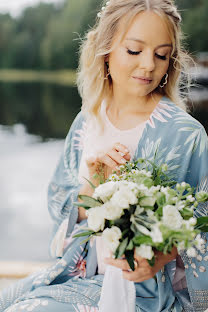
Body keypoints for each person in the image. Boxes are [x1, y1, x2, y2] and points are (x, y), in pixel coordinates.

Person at [1, 0, 208, 311]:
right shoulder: (88, 121)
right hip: (78, 274)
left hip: (145, 292)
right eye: (135, 51)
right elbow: (60, 205)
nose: (149, 65)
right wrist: (90, 191)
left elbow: (201, 226)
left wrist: (161, 256)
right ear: (106, 50)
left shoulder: (186, 135)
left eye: (161, 54)